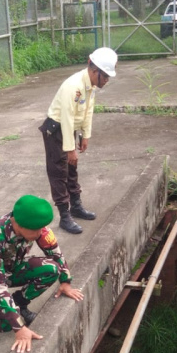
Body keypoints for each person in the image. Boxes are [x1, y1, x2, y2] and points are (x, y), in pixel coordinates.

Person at [0, 195, 85, 353]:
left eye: (41, 228)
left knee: (51, 270)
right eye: (35, 230)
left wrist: (66, 282)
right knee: (5, 324)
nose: (39, 233)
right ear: (19, 224)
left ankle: (19, 303)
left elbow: (55, 253)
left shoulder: (37, 227)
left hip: (12, 267)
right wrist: (19, 328)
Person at [39, 47, 118, 234]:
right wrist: (70, 149)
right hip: (56, 129)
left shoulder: (90, 86)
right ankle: (65, 216)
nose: (107, 80)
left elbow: (87, 111)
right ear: (94, 70)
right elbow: (66, 117)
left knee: (72, 169)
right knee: (59, 172)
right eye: (105, 76)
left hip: (69, 130)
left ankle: (76, 206)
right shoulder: (72, 86)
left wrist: (85, 135)